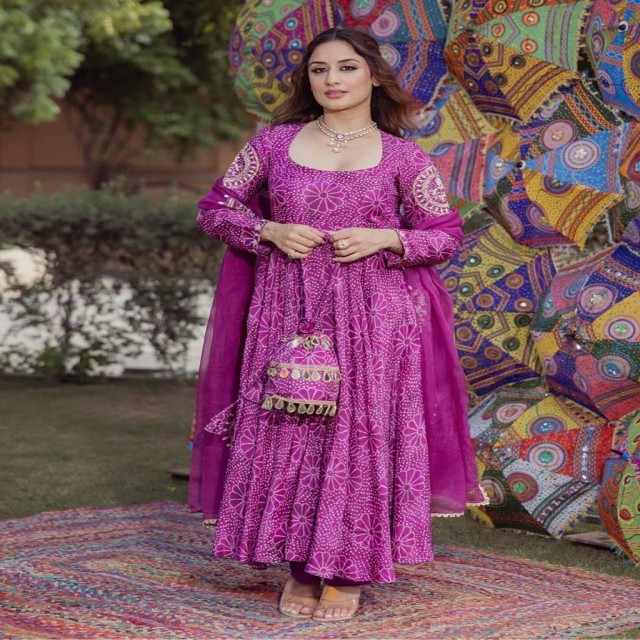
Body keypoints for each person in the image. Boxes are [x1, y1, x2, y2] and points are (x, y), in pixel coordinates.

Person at [193, 26, 486, 622]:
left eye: (347, 67)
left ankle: (349, 569)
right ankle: (301, 566)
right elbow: (215, 209)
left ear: (373, 76)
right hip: (288, 311)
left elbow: (444, 236)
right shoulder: (272, 145)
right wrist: (268, 230)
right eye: (319, 69)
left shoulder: (403, 157)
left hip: (374, 320)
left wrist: (387, 238)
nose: (332, 79)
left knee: (358, 437)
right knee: (291, 429)